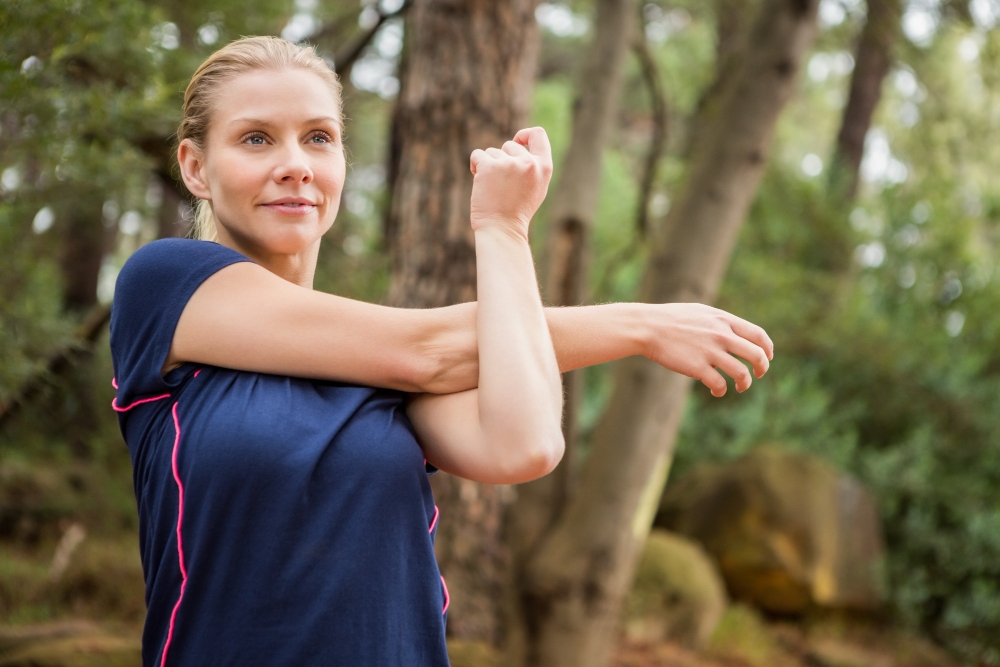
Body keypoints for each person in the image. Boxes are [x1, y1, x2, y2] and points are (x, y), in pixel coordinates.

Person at [109, 36, 772, 667]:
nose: (295, 163)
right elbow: (423, 348)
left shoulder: (378, 373)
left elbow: (525, 443)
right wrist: (640, 323)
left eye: (319, 137)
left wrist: (505, 229)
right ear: (196, 167)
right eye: (257, 138)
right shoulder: (163, 287)